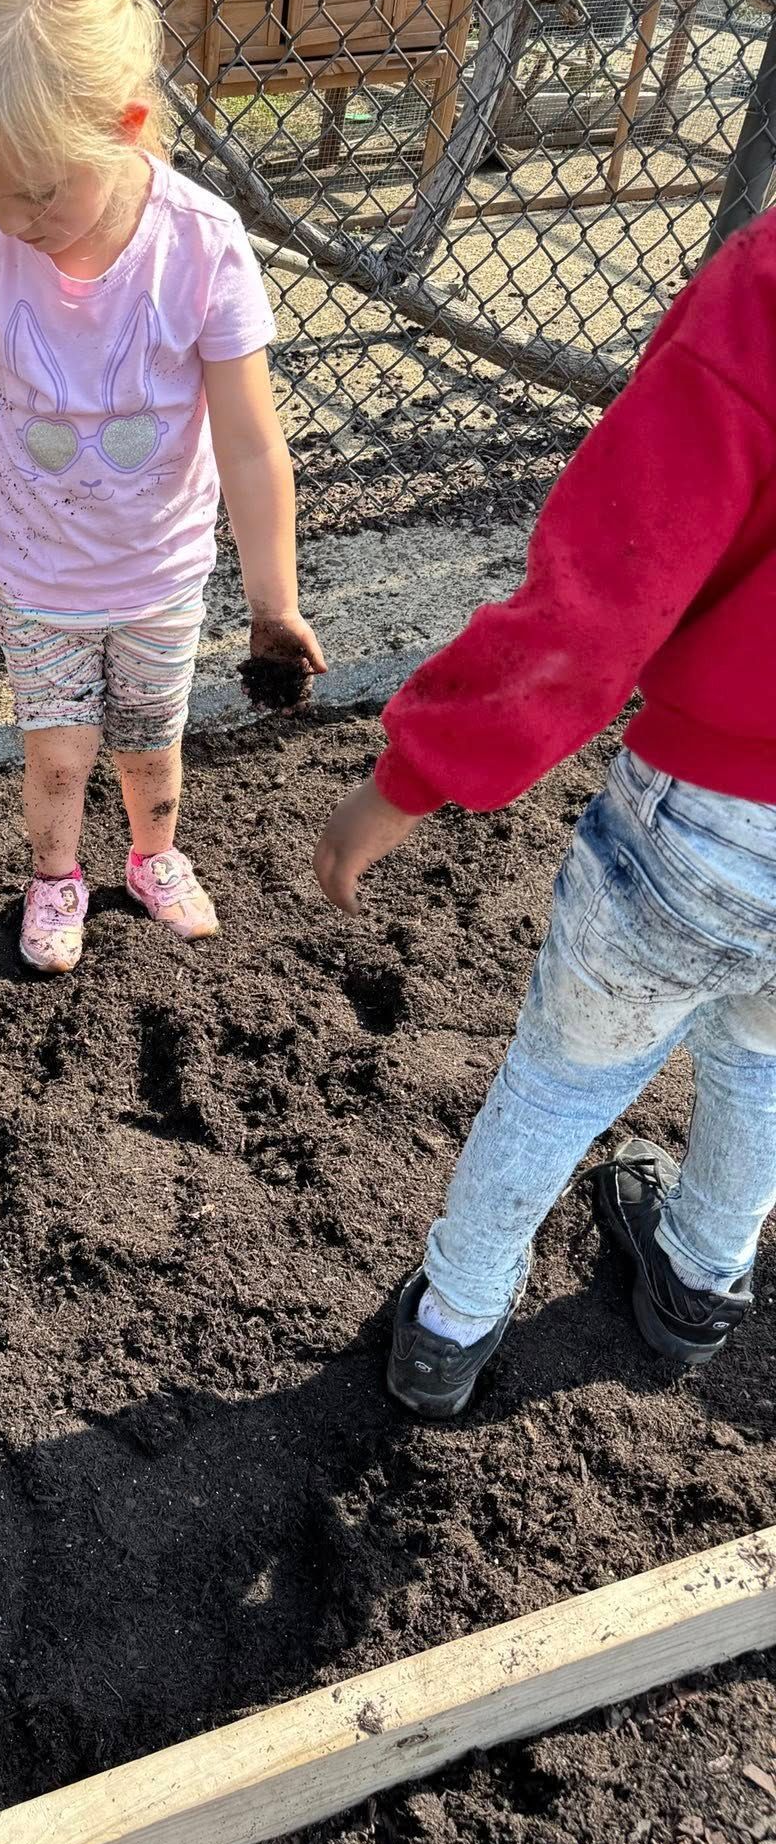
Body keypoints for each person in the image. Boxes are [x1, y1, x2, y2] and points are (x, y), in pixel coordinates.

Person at [313, 211, 776, 1418]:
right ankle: (696, 1286)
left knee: (569, 1076)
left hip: (715, 817)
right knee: (767, 1061)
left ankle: (451, 1323)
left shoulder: (765, 290)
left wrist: (409, 777)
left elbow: (600, 604)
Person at [0, 0, 320, 973]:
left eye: (38, 193)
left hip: (159, 573)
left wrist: (272, 603)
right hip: (39, 575)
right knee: (57, 756)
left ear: (130, 126)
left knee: (153, 744)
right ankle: (56, 877)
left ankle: (153, 856)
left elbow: (249, 443)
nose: (15, 220)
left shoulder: (201, 247)